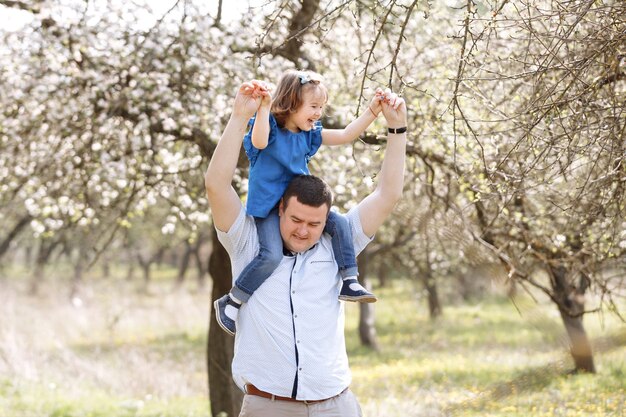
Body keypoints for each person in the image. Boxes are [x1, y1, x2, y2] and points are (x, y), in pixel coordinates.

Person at [204, 78, 407, 416]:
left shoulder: (338, 243)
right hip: (268, 407)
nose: (304, 231)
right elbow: (216, 184)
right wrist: (241, 115)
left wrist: (396, 130)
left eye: (314, 224)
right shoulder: (248, 242)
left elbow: (388, 195)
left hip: (336, 405)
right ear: (280, 208)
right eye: (296, 220)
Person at [214, 70, 385, 336]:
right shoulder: (269, 129)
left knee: (338, 223)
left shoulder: (309, 135)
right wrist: (263, 108)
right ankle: (233, 300)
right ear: (291, 104)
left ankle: (349, 279)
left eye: (321, 107)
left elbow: (346, 135)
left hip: (298, 203)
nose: (318, 113)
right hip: (270, 209)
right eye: (313, 107)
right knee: (270, 255)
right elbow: (258, 140)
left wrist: (372, 112)